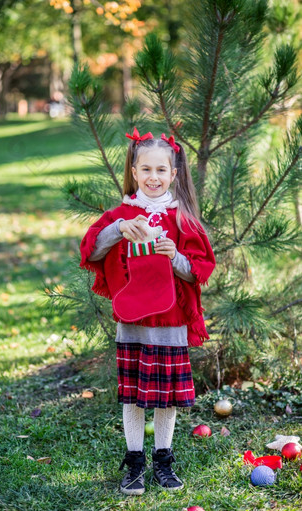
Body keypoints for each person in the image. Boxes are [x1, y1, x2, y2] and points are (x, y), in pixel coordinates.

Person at [79, 127, 216, 496]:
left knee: (166, 397)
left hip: (170, 323)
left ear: (174, 174)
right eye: (146, 170)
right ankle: (135, 461)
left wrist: (175, 258)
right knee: (135, 396)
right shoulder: (122, 214)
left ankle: (164, 459)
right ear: (134, 172)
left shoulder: (182, 219)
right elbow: (90, 250)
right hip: (133, 320)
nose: (153, 177)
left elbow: (200, 269)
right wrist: (120, 229)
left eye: (161, 170)